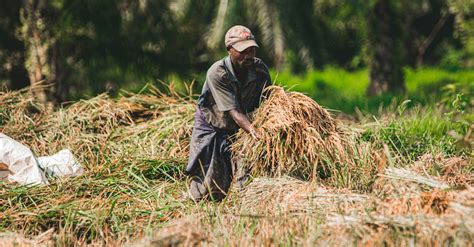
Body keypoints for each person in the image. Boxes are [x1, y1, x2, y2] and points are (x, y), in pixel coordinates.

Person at [185, 25, 272, 201]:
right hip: (213, 124)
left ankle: (245, 200)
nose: (248, 55)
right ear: (229, 50)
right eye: (243, 51)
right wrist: (255, 131)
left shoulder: (260, 70)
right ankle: (196, 208)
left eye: (252, 50)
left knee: (246, 168)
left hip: (243, 124)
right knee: (209, 183)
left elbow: (269, 100)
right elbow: (233, 111)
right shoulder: (218, 73)